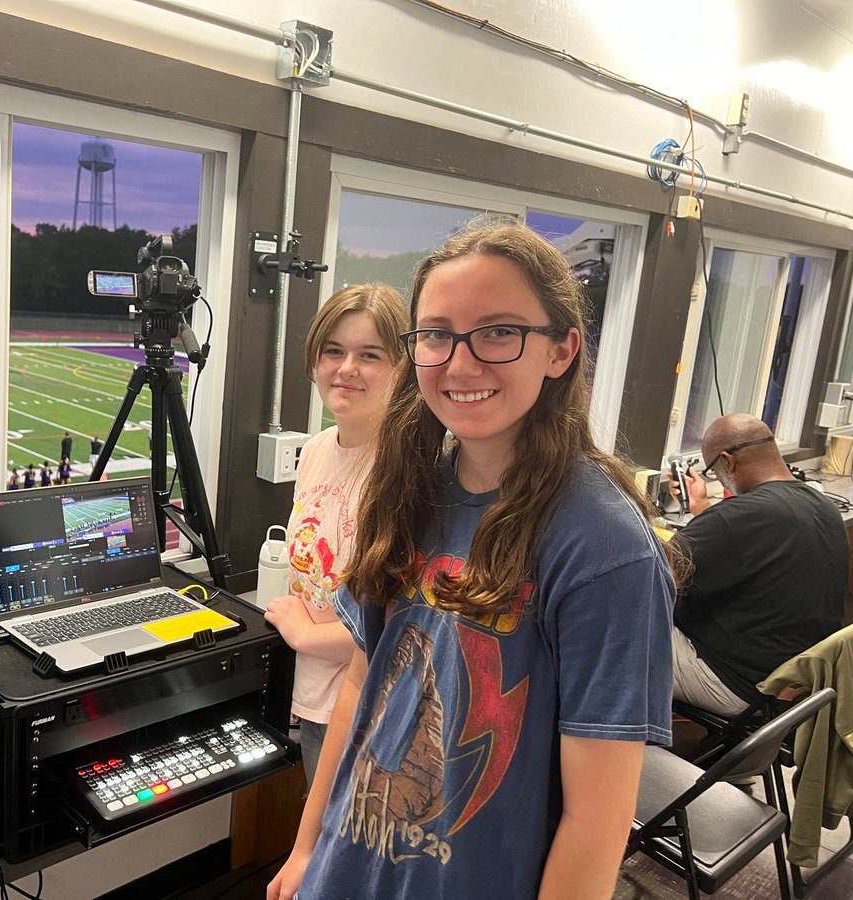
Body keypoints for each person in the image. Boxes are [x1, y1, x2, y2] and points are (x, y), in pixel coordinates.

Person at [269, 220, 676, 900]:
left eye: (498, 332)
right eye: (436, 334)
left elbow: (596, 823)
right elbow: (361, 688)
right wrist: (309, 845)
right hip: (350, 867)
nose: (459, 364)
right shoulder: (407, 491)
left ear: (561, 350)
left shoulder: (604, 548)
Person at [263, 283, 408, 789]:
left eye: (370, 355)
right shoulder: (317, 449)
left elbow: (403, 626)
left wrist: (305, 635)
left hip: (372, 711)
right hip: (314, 695)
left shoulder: (409, 472)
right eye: (334, 351)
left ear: (402, 368)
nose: (346, 368)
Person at [667, 413, 847, 716]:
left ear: (727, 461)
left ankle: (609, 739)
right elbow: (745, 545)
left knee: (608, 629)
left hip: (735, 684)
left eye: (713, 471)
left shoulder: (737, 517)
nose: (716, 478)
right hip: (792, 686)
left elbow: (651, 574)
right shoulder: (823, 507)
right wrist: (702, 508)